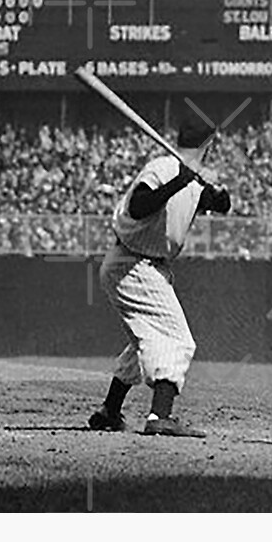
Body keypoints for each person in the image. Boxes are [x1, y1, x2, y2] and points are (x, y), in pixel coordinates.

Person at [89, 120, 231, 437]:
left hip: (144, 265)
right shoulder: (164, 167)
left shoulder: (192, 179)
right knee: (176, 340)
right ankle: (159, 416)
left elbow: (218, 204)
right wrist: (179, 181)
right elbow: (139, 207)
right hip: (133, 262)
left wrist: (218, 195)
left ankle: (110, 410)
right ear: (207, 146)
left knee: (143, 342)